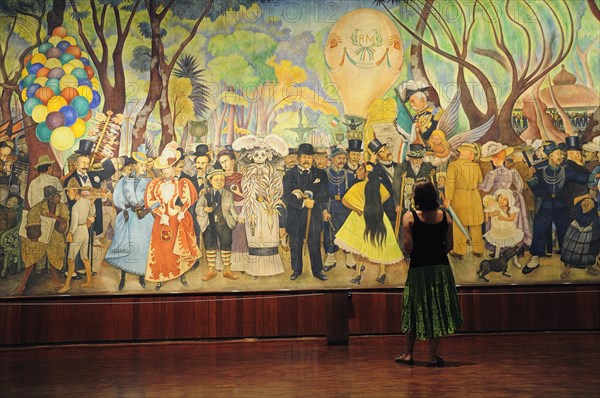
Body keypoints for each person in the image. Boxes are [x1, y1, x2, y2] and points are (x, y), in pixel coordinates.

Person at [396, 179, 462, 367]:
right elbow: (449, 246)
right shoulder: (446, 217)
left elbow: (408, 247)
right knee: (437, 308)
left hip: (418, 269)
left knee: (413, 308)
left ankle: (408, 354)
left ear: (416, 197)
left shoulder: (409, 218)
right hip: (440, 268)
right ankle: (432, 357)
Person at [334, 162, 403, 284]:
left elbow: (344, 201)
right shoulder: (379, 186)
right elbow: (386, 196)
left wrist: (358, 209)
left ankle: (358, 274)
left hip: (361, 218)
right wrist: (376, 205)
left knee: (362, 247)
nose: (357, 172)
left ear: (367, 173)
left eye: (360, 170)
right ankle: (381, 272)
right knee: (379, 242)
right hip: (378, 216)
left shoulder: (358, 186)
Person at [145, 143, 201, 290]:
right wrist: (160, 213)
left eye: (168, 168)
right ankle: (160, 277)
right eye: (163, 169)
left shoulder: (181, 184)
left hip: (176, 220)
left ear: (174, 167)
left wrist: (182, 210)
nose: (166, 171)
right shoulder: (155, 185)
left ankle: (180, 273)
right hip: (161, 220)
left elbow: (188, 199)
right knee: (161, 249)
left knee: (177, 247)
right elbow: (151, 202)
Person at [103, 151, 155, 290]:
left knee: (143, 246)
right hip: (129, 216)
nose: (144, 168)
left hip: (143, 218)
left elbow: (155, 200)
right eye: (141, 165)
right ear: (134, 166)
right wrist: (124, 211)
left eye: (145, 165)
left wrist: (147, 209)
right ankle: (123, 277)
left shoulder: (149, 182)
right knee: (126, 245)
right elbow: (117, 199)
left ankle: (141, 276)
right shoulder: (124, 181)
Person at [283, 142, 329, 281]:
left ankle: (317, 270)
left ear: (313, 158)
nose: (306, 160)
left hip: (313, 216)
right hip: (295, 216)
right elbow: (287, 196)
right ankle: (296, 270)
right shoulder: (289, 175)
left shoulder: (320, 173)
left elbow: (325, 194)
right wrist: (302, 202)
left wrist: (313, 200)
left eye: (309, 157)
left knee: (314, 243)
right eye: (303, 157)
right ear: (298, 158)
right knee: (295, 244)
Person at [14, 186, 69, 295]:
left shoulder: (61, 207)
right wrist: (36, 229)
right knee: (31, 250)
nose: (60, 197)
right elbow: (31, 216)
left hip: (54, 234)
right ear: (51, 198)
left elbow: (64, 222)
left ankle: (55, 279)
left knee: (55, 248)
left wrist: (53, 217)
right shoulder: (39, 206)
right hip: (40, 235)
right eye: (57, 195)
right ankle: (23, 283)